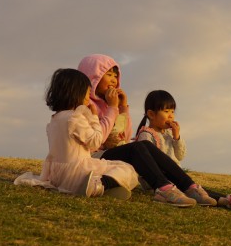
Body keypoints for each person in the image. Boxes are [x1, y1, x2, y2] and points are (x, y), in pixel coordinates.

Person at [77, 54, 216, 208]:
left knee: (143, 147)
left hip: (110, 153)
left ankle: (196, 190)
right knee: (139, 146)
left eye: (115, 76)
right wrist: (112, 108)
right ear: (92, 77)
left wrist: (122, 107)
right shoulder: (84, 105)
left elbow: (125, 135)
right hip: (92, 156)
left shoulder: (109, 104)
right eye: (108, 75)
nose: (113, 80)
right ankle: (164, 189)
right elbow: (93, 140)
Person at [14, 68, 138, 199]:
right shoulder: (76, 117)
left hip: (59, 177)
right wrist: (94, 118)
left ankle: (103, 187)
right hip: (79, 173)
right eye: (87, 93)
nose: (88, 97)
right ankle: (99, 185)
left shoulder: (54, 120)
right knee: (126, 169)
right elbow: (96, 141)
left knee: (114, 168)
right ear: (77, 93)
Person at [136, 90, 231, 210]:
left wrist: (177, 137)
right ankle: (227, 201)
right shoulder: (147, 134)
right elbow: (147, 162)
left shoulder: (170, 134)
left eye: (172, 111)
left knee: (195, 189)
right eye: (166, 111)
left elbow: (180, 155)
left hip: (175, 177)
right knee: (190, 190)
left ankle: (227, 200)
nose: (171, 115)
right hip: (158, 180)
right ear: (151, 114)